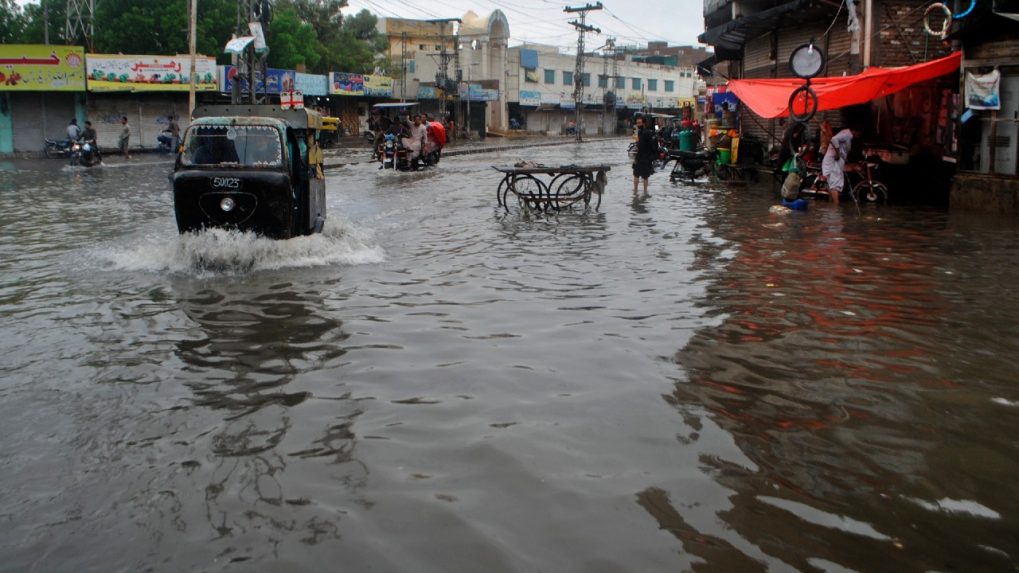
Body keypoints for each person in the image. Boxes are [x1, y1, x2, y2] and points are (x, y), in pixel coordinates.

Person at [821, 126, 860, 205]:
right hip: (833, 162)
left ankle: (832, 205)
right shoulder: (847, 133)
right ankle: (836, 206)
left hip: (833, 162)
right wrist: (838, 152)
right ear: (856, 131)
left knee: (832, 184)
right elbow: (834, 139)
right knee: (835, 184)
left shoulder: (848, 135)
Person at [632, 113, 657, 194]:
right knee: (637, 175)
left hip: (644, 158)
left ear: (643, 123)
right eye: (637, 123)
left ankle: (642, 192)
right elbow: (636, 143)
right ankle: (637, 192)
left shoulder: (645, 133)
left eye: (639, 123)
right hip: (642, 158)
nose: (638, 124)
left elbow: (645, 146)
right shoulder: (637, 132)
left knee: (644, 176)